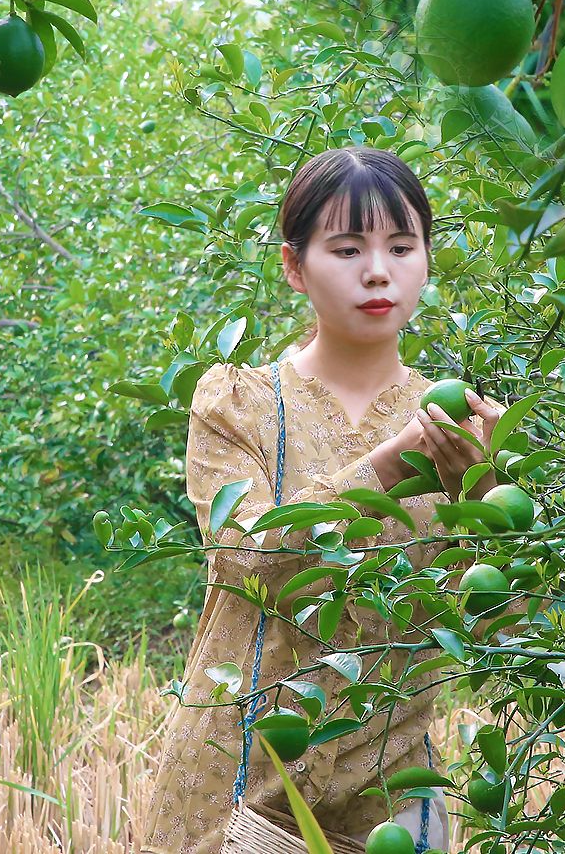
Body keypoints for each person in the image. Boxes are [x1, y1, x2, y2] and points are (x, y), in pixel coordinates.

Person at [137, 147, 509, 854]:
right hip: (235, 783)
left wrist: (486, 494)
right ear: (294, 266)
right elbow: (245, 557)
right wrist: (388, 467)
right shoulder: (239, 404)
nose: (378, 270)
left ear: (428, 258)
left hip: (388, 800)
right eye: (347, 248)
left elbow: (504, 627)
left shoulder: (467, 430)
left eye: (402, 247)